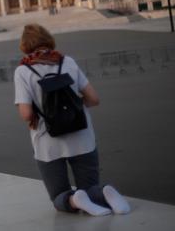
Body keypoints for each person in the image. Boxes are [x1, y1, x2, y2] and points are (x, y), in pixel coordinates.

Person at [14, 23, 130, 216]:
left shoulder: (23, 71)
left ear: (25, 45)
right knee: (91, 186)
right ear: (48, 39)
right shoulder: (67, 61)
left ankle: (75, 199)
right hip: (81, 134)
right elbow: (94, 99)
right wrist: (72, 107)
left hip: (47, 140)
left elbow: (26, 114)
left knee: (59, 195)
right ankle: (104, 193)